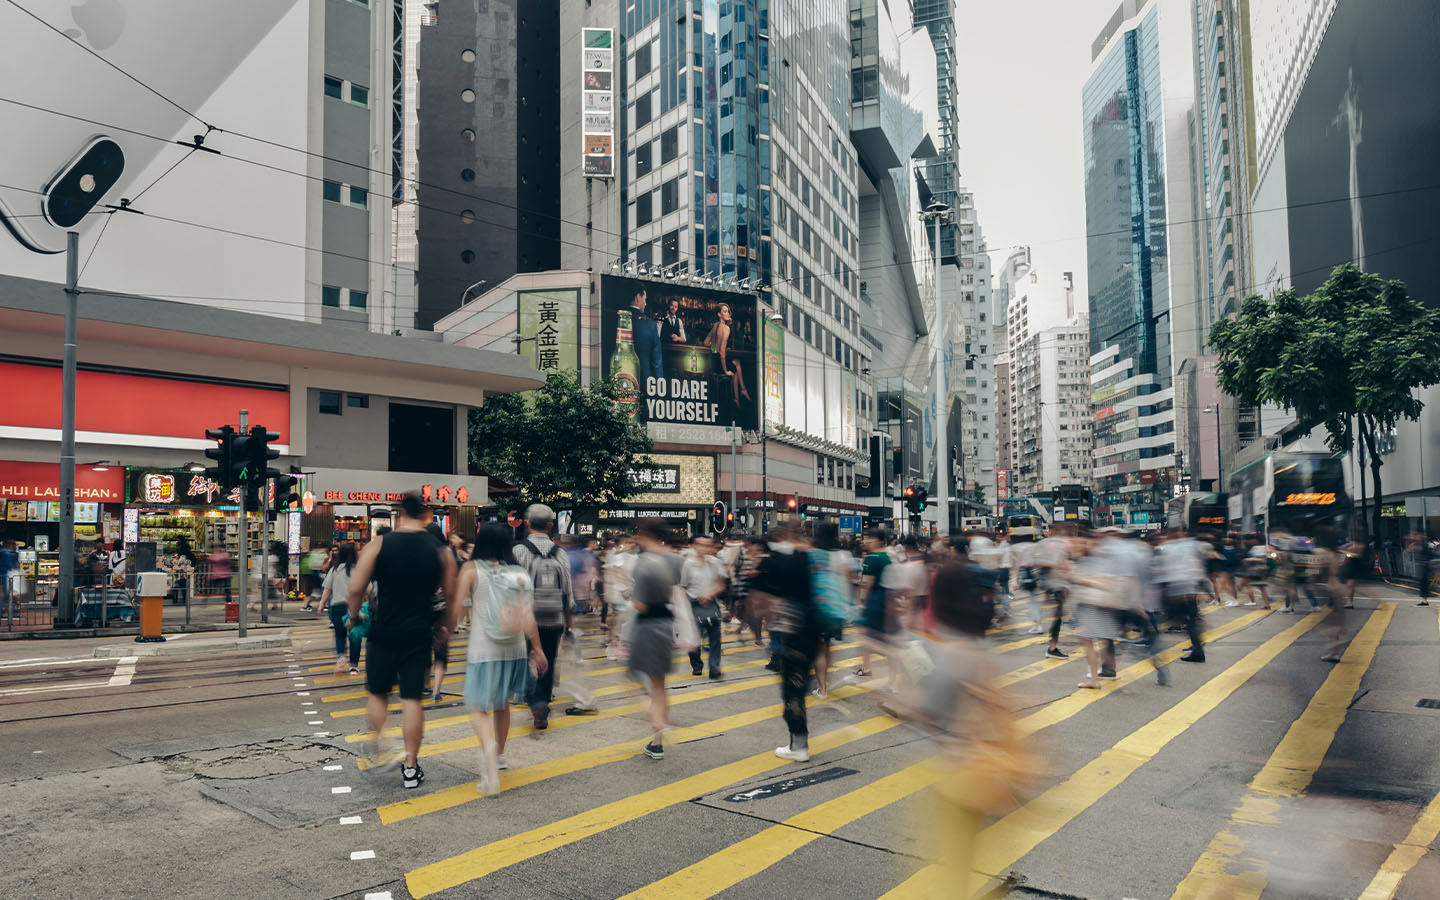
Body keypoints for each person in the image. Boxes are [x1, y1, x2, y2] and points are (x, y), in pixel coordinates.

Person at [347, 492, 458, 789]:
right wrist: (446, 629)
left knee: (378, 694)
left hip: (383, 631)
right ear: (424, 515)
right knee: (411, 700)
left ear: (399, 513)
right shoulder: (440, 550)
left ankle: (379, 745)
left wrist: (354, 616)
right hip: (418, 633)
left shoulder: (380, 544)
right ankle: (410, 767)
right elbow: (451, 596)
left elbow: (356, 587)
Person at [459, 522, 548, 796]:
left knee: (476, 704)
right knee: (502, 703)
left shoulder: (471, 569)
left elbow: (457, 606)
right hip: (514, 648)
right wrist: (538, 648)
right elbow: (528, 615)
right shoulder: (519, 572)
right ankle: (500, 754)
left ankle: (488, 754)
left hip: (484, 647)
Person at [748, 523, 818, 762]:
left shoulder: (775, 563)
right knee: (798, 687)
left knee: (792, 691)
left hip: (793, 634)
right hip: (814, 630)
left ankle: (799, 745)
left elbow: (759, 599)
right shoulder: (809, 558)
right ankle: (799, 742)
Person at [512, 504, 574, 730]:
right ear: (550, 526)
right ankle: (542, 704)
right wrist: (569, 624)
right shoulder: (561, 553)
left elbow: (512, 587)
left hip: (524, 619)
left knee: (521, 662)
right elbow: (568, 591)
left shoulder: (518, 551)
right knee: (547, 663)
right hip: (553, 618)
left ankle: (533, 700)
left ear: (527, 524)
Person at [627, 518, 683, 759]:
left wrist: (629, 595)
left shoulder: (644, 563)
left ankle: (657, 719)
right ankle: (657, 740)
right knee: (659, 684)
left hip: (647, 626)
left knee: (631, 677)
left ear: (644, 535)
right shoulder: (675, 559)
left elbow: (640, 605)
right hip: (666, 623)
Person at [1154, 529, 1208, 663]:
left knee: (1187, 622)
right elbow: (1199, 567)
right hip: (1189, 590)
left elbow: (1164, 570)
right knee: (1190, 621)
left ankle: (1198, 649)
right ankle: (1197, 647)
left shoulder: (1169, 548)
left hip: (1178, 592)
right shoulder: (1190, 546)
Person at [681, 535, 727, 679]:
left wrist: (710, 593)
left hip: (711, 603)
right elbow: (683, 587)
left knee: (715, 638)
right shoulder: (688, 564)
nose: (704, 548)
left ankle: (714, 668)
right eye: (701, 544)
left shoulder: (715, 563)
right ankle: (697, 665)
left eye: (708, 545)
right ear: (694, 546)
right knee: (694, 640)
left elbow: (721, 584)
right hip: (693, 604)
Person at [856, 528, 893, 681]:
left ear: (878, 540)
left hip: (875, 599)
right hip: (889, 598)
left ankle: (867, 668)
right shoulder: (890, 556)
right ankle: (892, 675)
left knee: (868, 636)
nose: (866, 541)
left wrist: (862, 603)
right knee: (888, 637)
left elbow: (866, 584)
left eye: (870, 538)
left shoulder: (871, 558)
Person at [1032, 525, 1071, 659]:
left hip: (1056, 584)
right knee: (1057, 617)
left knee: (1058, 616)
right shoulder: (1049, 544)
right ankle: (1052, 647)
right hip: (1055, 585)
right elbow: (1037, 562)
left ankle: (1052, 646)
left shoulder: (1058, 544)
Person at [703, 302, 750, 409]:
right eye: (725, 311)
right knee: (735, 367)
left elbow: (706, 342)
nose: (728, 313)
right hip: (719, 364)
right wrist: (725, 370)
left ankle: (739, 395)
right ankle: (738, 397)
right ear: (719, 315)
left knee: (736, 363)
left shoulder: (715, 326)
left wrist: (714, 344)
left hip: (712, 362)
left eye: (728, 311)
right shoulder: (726, 328)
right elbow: (722, 352)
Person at [322, 543, 358, 676]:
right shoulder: (358, 570)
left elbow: (327, 589)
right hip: (354, 607)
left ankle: (341, 656)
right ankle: (353, 666)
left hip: (337, 606)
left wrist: (321, 604)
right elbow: (367, 589)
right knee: (354, 636)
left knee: (339, 635)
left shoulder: (334, 570)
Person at [628, 288, 662, 411]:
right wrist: (659, 387)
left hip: (619, 381)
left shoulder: (614, 319)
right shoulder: (650, 325)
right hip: (644, 381)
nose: (646, 303)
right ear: (638, 297)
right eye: (645, 299)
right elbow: (657, 362)